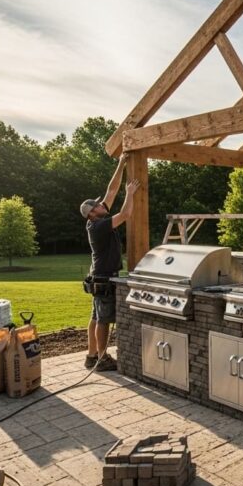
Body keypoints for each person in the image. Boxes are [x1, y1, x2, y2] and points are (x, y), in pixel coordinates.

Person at [80, 153, 140, 372]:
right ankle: (102, 358)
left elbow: (111, 190)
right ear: (92, 214)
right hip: (104, 277)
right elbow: (125, 214)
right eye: (97, 205)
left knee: (96, 316)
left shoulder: (98, 218)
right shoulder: (98, 226)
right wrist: (130, 193)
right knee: (103, 320)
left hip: (99, 276)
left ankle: (91, 356)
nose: (102, 204)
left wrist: (121, 164)